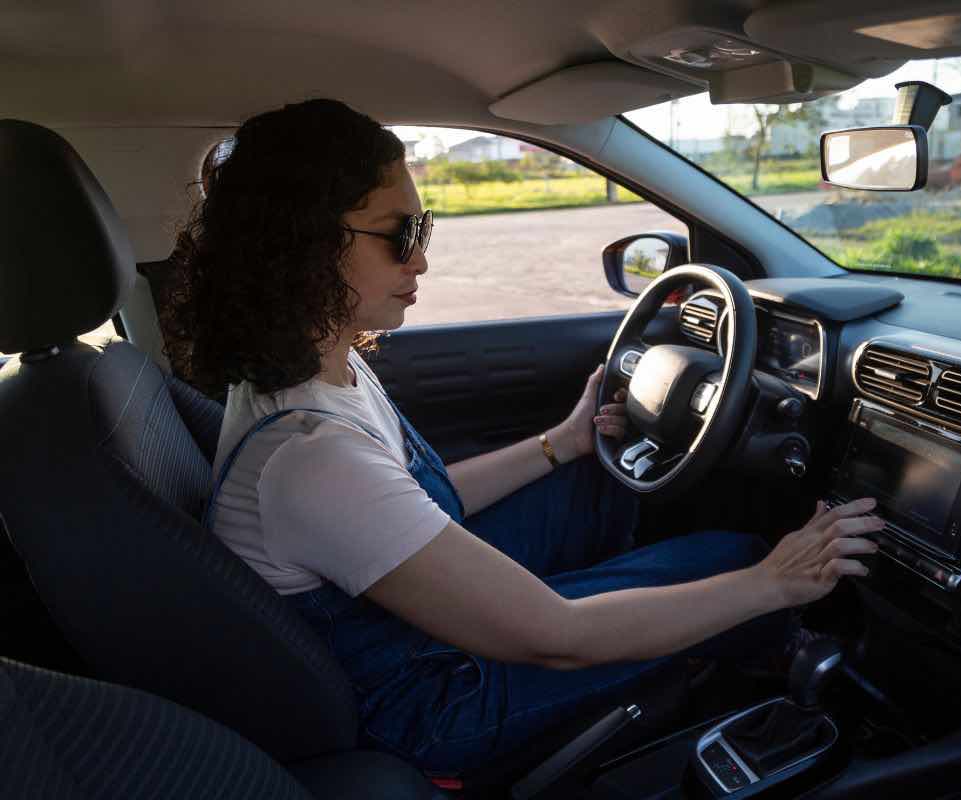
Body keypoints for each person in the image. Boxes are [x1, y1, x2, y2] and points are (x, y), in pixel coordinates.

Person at [162, 99, 883, 775]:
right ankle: (777, 676)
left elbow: (411, 502)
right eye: (400, 236)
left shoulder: (313, 371)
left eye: (426, 230)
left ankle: (678, 629)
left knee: (592, 474)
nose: (420, 261)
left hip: (400, 631)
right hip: (425, 703)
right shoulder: (311, 457)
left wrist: (560, 443)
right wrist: (770, 583)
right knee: (730, 558)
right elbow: (557, 636)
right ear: (302, 246)